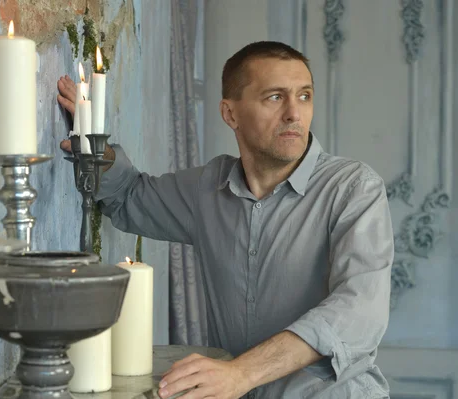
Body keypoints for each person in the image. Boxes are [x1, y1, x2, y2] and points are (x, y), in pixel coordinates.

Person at [57, 41, 394, 399]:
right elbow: (129, 197)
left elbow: (359, 312)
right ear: (230, 114)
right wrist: (96, 148)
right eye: (275, 98)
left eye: (305, 96)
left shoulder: (354, 189)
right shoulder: (207, 190)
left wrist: (241, 374)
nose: (295, 113)